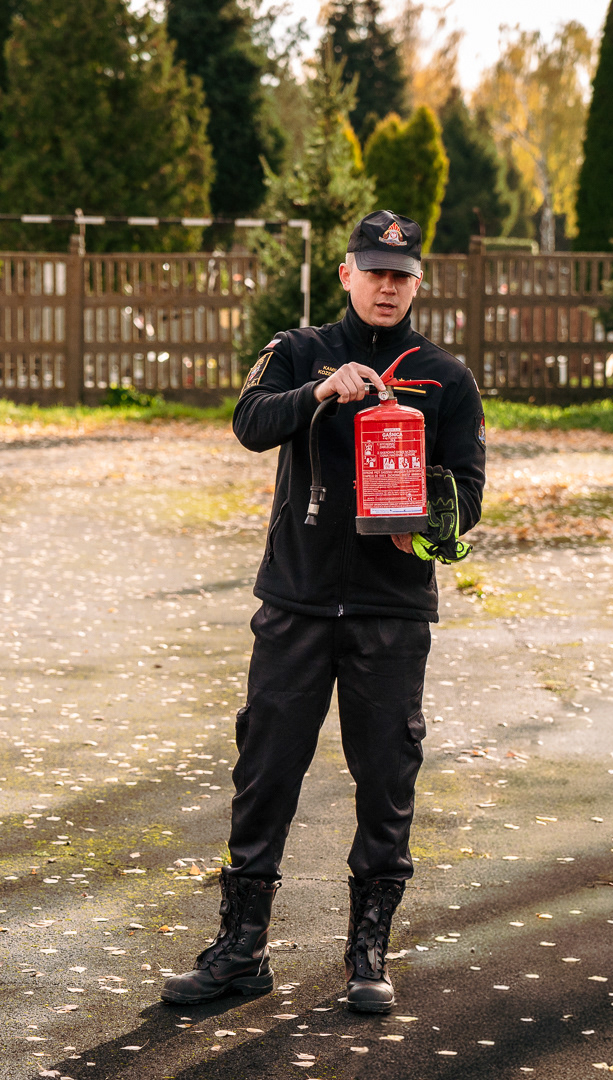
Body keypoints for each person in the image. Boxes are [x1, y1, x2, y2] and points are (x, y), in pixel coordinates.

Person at [161, 210, 486, 1014]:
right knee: (264, 774)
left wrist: (426, 516)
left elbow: (469, 494)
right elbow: (248, 423)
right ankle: (240, 951)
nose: (386, 286)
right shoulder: (297, 350)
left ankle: (367, 954)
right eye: (374, 271)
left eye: (400, 275)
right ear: (346, 273)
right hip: (296, 602)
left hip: (391, 611)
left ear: (417, 283)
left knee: (386, 781)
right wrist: (319, 390)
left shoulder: (444, 377)